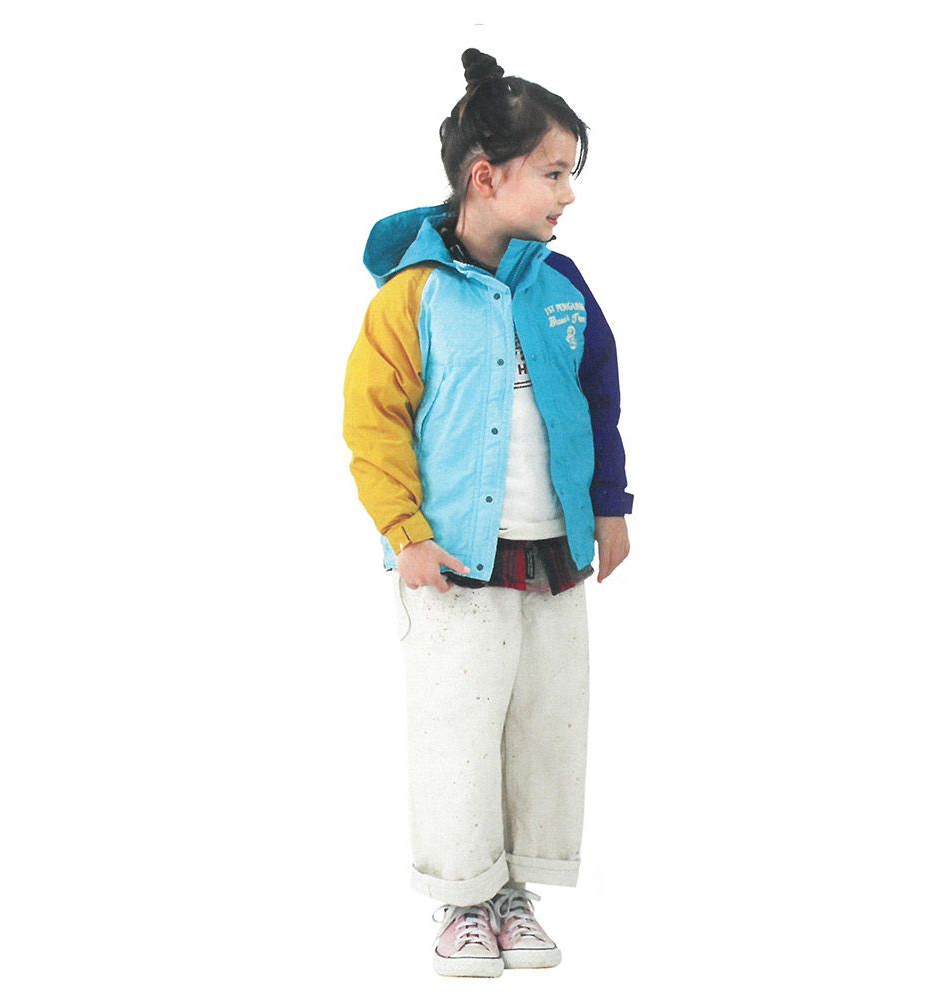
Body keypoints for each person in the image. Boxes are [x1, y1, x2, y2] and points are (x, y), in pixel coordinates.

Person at [342, 47, 634, 978]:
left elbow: (599, 399)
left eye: (571, 174)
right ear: (485, 177)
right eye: (553, 173)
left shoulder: (564, 286)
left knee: (545, 725)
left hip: (554, 553)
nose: (568, 194)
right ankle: (463, 897)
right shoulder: (413, 297)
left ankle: (515, 889)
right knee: (458, 726)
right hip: (452, 560)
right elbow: (373, 422)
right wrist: (405, 533)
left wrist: (610, 507)